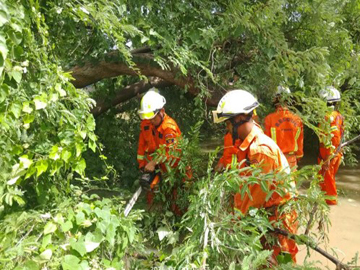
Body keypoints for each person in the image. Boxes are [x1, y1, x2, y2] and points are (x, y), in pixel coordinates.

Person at [212, 89, 298, 263]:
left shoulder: (260, 150)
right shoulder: (248, 144)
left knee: (279, 265)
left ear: (238, 119)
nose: (227, 129)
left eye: (228, 123)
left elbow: (254, 199)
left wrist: (232, 224)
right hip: (264, 218)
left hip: (277, 221)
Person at [138, 89, 185, 214]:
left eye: (152, 118)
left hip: (174, 171)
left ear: (161, 112)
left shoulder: (169, 128)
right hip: (158, 169)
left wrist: (153, 163)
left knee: (177, 203)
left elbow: (172, 152)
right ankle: (154, 223)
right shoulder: (148, 124)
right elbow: (142, 147)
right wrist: (143, 166)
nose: (150, 121)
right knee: (153, 201)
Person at [264, 86, 304, 169]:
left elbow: (266, 143)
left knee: (277, 182)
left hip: (275, 159)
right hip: (291, 160)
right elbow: (300, 143)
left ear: (275, 99)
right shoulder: (297, 119)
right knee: (291, 181)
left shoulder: (269, 118)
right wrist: (298, 156)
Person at [318, 86, 344, 205]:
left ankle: (330, 204)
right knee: (326, 180)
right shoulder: (338, 116)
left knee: (328, 183)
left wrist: (327, 157)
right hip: (336, 153)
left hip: (328, 155)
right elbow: (341, 134)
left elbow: (328, 138)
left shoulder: (327, 117)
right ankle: (324, 201)